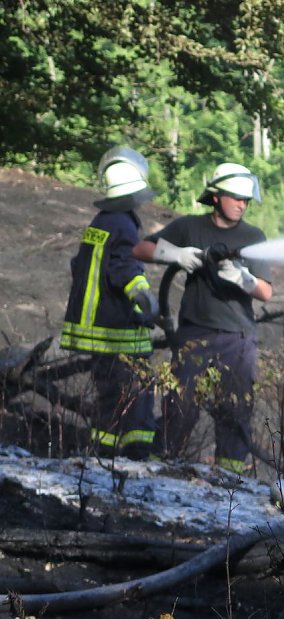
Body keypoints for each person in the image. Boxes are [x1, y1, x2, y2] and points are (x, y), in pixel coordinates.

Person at [133, 162, 273, 474]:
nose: (241, 204)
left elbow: (265, 292)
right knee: (179, 406)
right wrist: (175, 255)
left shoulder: (254, 236)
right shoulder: (189, 228)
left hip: (238, 337)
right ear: (216, 196)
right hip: (194, 332)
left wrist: (242, 278)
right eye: (236, 197)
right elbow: (140, 249)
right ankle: (160, 470)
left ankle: (230, 481)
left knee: (236, 410)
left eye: (246, 200)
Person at [60, 146, 160, 460]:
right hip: (118, 329)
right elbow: (124, 268)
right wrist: (145, 298)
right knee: (139, 389)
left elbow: (80, 266)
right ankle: (138, 452)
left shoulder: (100, 221)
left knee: (108, 398)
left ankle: (103, 452)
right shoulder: (123, 225)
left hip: (95, 330)